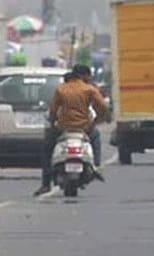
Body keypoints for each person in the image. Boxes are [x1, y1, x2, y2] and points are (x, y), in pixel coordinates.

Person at [33, 65, 110, 196]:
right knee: (96, 137)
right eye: (89, 76)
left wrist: (53, 123)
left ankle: (46, 184)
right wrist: (95, 122)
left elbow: (53, 110)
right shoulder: (89, 89)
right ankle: (96, 166)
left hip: (63, 128)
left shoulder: (61, 89)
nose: (90, 79)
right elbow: (103, 107)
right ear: (84, 76)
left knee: (47, 148)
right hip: (84, 128)